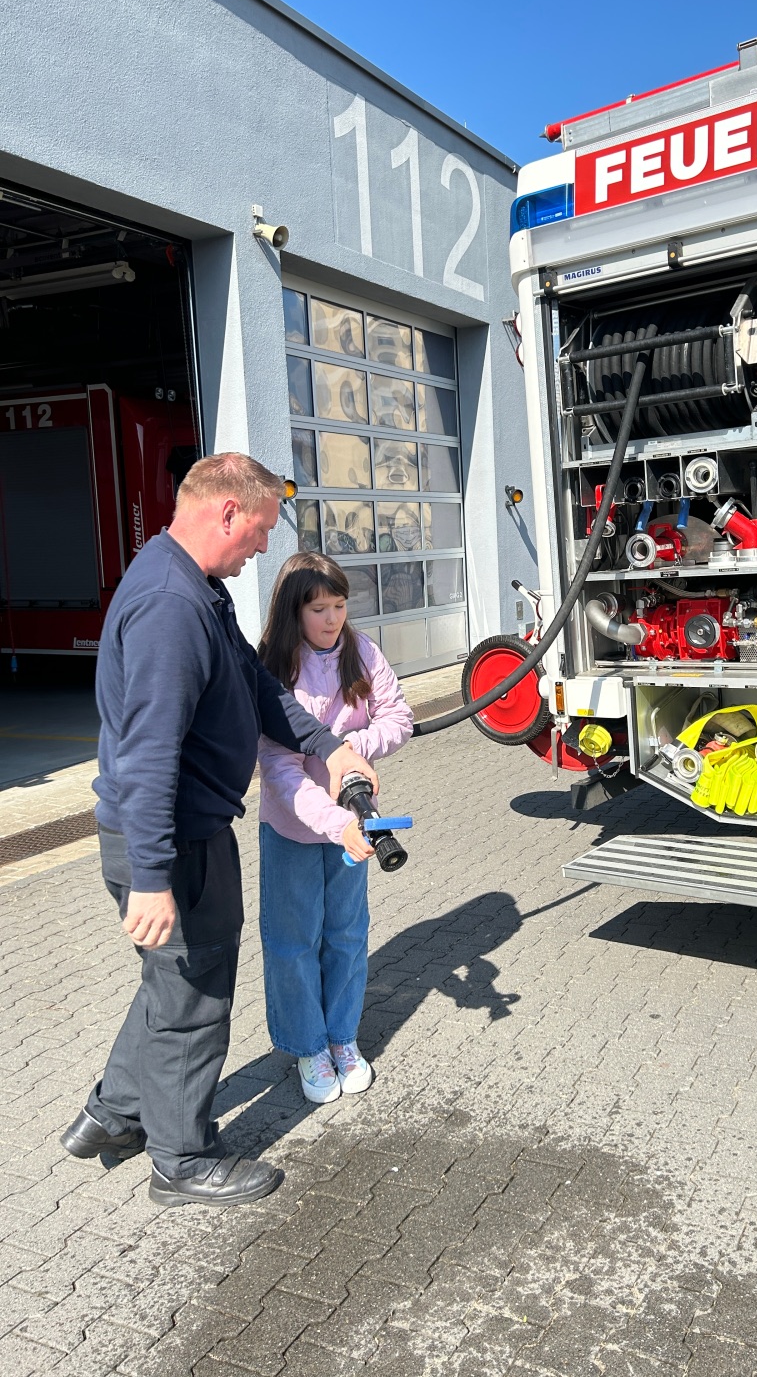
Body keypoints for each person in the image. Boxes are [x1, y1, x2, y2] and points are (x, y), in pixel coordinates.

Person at [60, 453, 379, 1209]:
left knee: (171, 983)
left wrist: (329, 746)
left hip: (184, 831)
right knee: (195, 995)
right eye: (261, 529)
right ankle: (183, 1160)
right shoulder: (172, 606)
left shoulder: (197, 588)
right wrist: (150, 874)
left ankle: (111, 1116)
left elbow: (257, 687)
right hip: (173, 837)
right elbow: (146, 755)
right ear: (227, 512)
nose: (265, 547)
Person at [256, 553, 412, 1102]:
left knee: (346, 934)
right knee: (293, 941)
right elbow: (279, 770)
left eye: (340, 606)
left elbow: (399, 717)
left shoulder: (361, 651)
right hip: (295, 830)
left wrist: (353, 748)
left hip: (355, 822)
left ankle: (343, 1037)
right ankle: (307, 1046)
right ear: (292, 611)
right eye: (318, 609)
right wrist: (333, 820)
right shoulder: (275, 671)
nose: (332, 620)